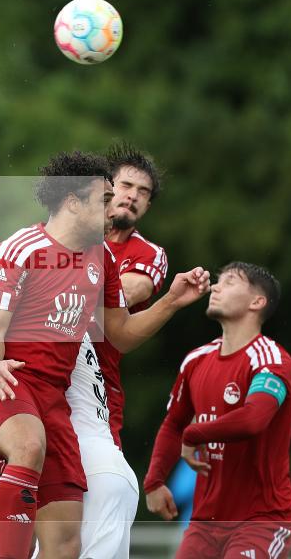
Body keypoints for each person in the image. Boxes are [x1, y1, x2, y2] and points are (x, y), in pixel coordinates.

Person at [0, 151, 210, 559]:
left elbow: (120, 334)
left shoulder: (108, 261)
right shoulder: (24, 247)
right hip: (8, 383)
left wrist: (170, 301)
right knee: (28, 452)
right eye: (108, 196)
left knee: (65, 543)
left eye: (137, 193)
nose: (118, 203)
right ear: (73, 201)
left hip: (57, 400)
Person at [144, 262, 291, 558]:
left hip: (261, 520)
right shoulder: (196, 360)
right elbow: (174, 424)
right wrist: (154, 481)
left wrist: (195, 432)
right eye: (217, 282)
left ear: (257, 302)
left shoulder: (271, 359)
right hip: (205, 523)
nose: (215, 287)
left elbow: (254, 419)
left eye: (229, 282)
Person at [95, 140, 168, 448]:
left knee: (100, 483)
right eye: (126, 185)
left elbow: (120, 292)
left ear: (147, 206)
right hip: (33, 369)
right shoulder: (60, 233)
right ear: (106, 188)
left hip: (96, 380)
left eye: (143, 192)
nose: (133, 196)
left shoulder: (148, 254)